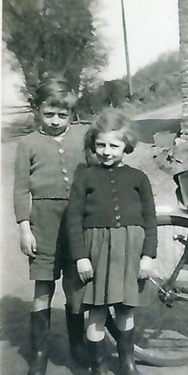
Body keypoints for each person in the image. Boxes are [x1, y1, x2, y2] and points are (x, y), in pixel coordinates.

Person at [13, 76, 119, 375]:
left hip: (78, 222)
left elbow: (101, 168)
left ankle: (77, 347)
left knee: (75, 287)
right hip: (43, 223)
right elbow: (21, 189)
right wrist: (24, 227)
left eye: (63, 114)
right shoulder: (28, 144)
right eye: (49, 114)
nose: (56, 121)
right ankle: (38, 355)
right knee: (43, 286)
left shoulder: (84, 137)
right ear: (38, 111)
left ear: (72, 113)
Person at [66, 108, 157, 375]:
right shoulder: (84, 177)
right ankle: (99, 365)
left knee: (126, 309)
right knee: (97, 312)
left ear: (125, 145)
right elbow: (73, 219)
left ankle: (126, 362)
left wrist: (147, 255)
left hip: (130, 253)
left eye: (114, 145)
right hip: (96, 254)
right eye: (101, 145)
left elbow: (150, 219)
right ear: (93, 145)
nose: (106, 151)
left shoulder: (138, 178)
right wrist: (80, 257)